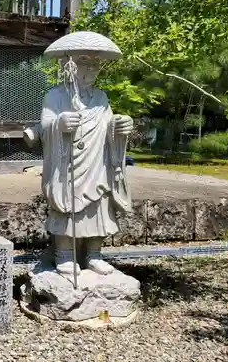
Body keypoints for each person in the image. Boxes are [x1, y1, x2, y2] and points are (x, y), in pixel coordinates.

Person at [27, 32, 134, 276]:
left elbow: (108, 125)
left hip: (96, 163)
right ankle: (63, 254)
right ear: (70, 66)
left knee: (98, 206)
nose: (92, 69)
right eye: (86, 63)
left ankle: (93, 254)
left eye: (96, 65)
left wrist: (120, 124)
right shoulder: (55, 96)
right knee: (66, 205)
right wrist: (59, 124)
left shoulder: (101, 97)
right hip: (67, 166)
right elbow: (44, 126)